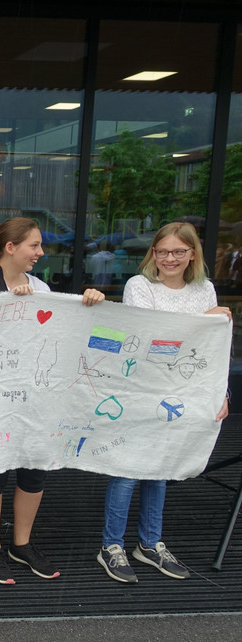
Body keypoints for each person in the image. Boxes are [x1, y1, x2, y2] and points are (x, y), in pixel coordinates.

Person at [0, 217, 105, 585]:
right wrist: (9, 306)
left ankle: (21, 543)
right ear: (11, 247)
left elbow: (64, 325)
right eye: (34, 245)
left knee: (34, 466)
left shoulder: (39, 287)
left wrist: (90, 302)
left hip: (37, 396)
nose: (41, 253)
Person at [98, 221, 231, 583]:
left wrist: (222, 392)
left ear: (192, 254)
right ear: (152, 253)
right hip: (141, 389)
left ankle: (150, 543)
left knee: (160, 468)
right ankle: (111, 546)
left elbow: (213, 349)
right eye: (162, 251)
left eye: (178, 252)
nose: (170, 258)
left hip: (181, 392)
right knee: (127, 470)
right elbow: (151, 338)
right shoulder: (139, 286)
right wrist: (203, 321)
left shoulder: (205, 290)